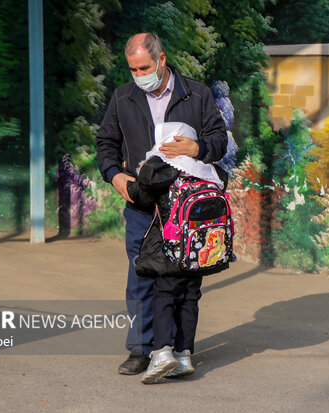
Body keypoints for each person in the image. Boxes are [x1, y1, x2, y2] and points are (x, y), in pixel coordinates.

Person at [95, 32, 227, 375]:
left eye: (144, 67)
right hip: (143, 202)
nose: (139, 76)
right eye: (133, 69)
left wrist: (198, 149)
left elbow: (218, 139)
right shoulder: (123, 97)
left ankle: (181, 352)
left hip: (186, 205)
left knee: (186, 280)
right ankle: (141, 349)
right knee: (142, 275)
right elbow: (106, 141)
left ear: (161, 60)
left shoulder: (196, 93)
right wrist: (114, 175)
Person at [125, 124, 230, 383]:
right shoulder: (212, 171)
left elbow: (140, 197)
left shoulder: (159, 169)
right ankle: (184, 355)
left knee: (164, 296)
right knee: (189, 297)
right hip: (202, 250)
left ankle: (161, 352)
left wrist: (133, 174)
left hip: (171, 249)